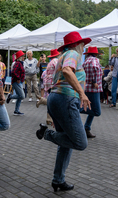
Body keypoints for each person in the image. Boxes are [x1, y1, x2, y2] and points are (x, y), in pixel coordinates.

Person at [35, 31, 91, 192]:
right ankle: (46, 134)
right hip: (65, 99)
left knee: (65, 143)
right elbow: (67, 71)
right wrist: (82, 93)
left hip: (56, 98)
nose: (84, 47)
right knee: (80, 142)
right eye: (83, 44)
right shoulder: (73, 53)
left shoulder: (60, 56)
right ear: (76, 44)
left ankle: (58, 180)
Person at [81, 46, 103, 138]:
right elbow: (95, 68)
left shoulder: (85, 61)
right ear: (96, 53)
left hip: (86, 88)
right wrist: (94, 81)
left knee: (91, 108)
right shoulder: (95, 60)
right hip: (94, 89)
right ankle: (76, 110)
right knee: (97, 111)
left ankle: (86, 128)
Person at [36, 49, 61, 126]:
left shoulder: (50, 62)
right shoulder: (56, 61)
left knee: (52, 100)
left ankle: (49, 118)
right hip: (53, 83)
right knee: (54, 101)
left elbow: (44, 74)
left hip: (48, 83)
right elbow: (59, 72)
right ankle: (43, 101)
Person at [6, 50, 25, 116]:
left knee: (20, 97)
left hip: (19, 81)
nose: (24, 57)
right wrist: (18, 78)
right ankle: (10, 96)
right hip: (17, 82)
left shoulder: (20, 63)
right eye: (23, 56)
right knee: (22, 96)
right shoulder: (17, 63)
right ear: (20, 57)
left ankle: (16, 111)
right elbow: (13, 72)